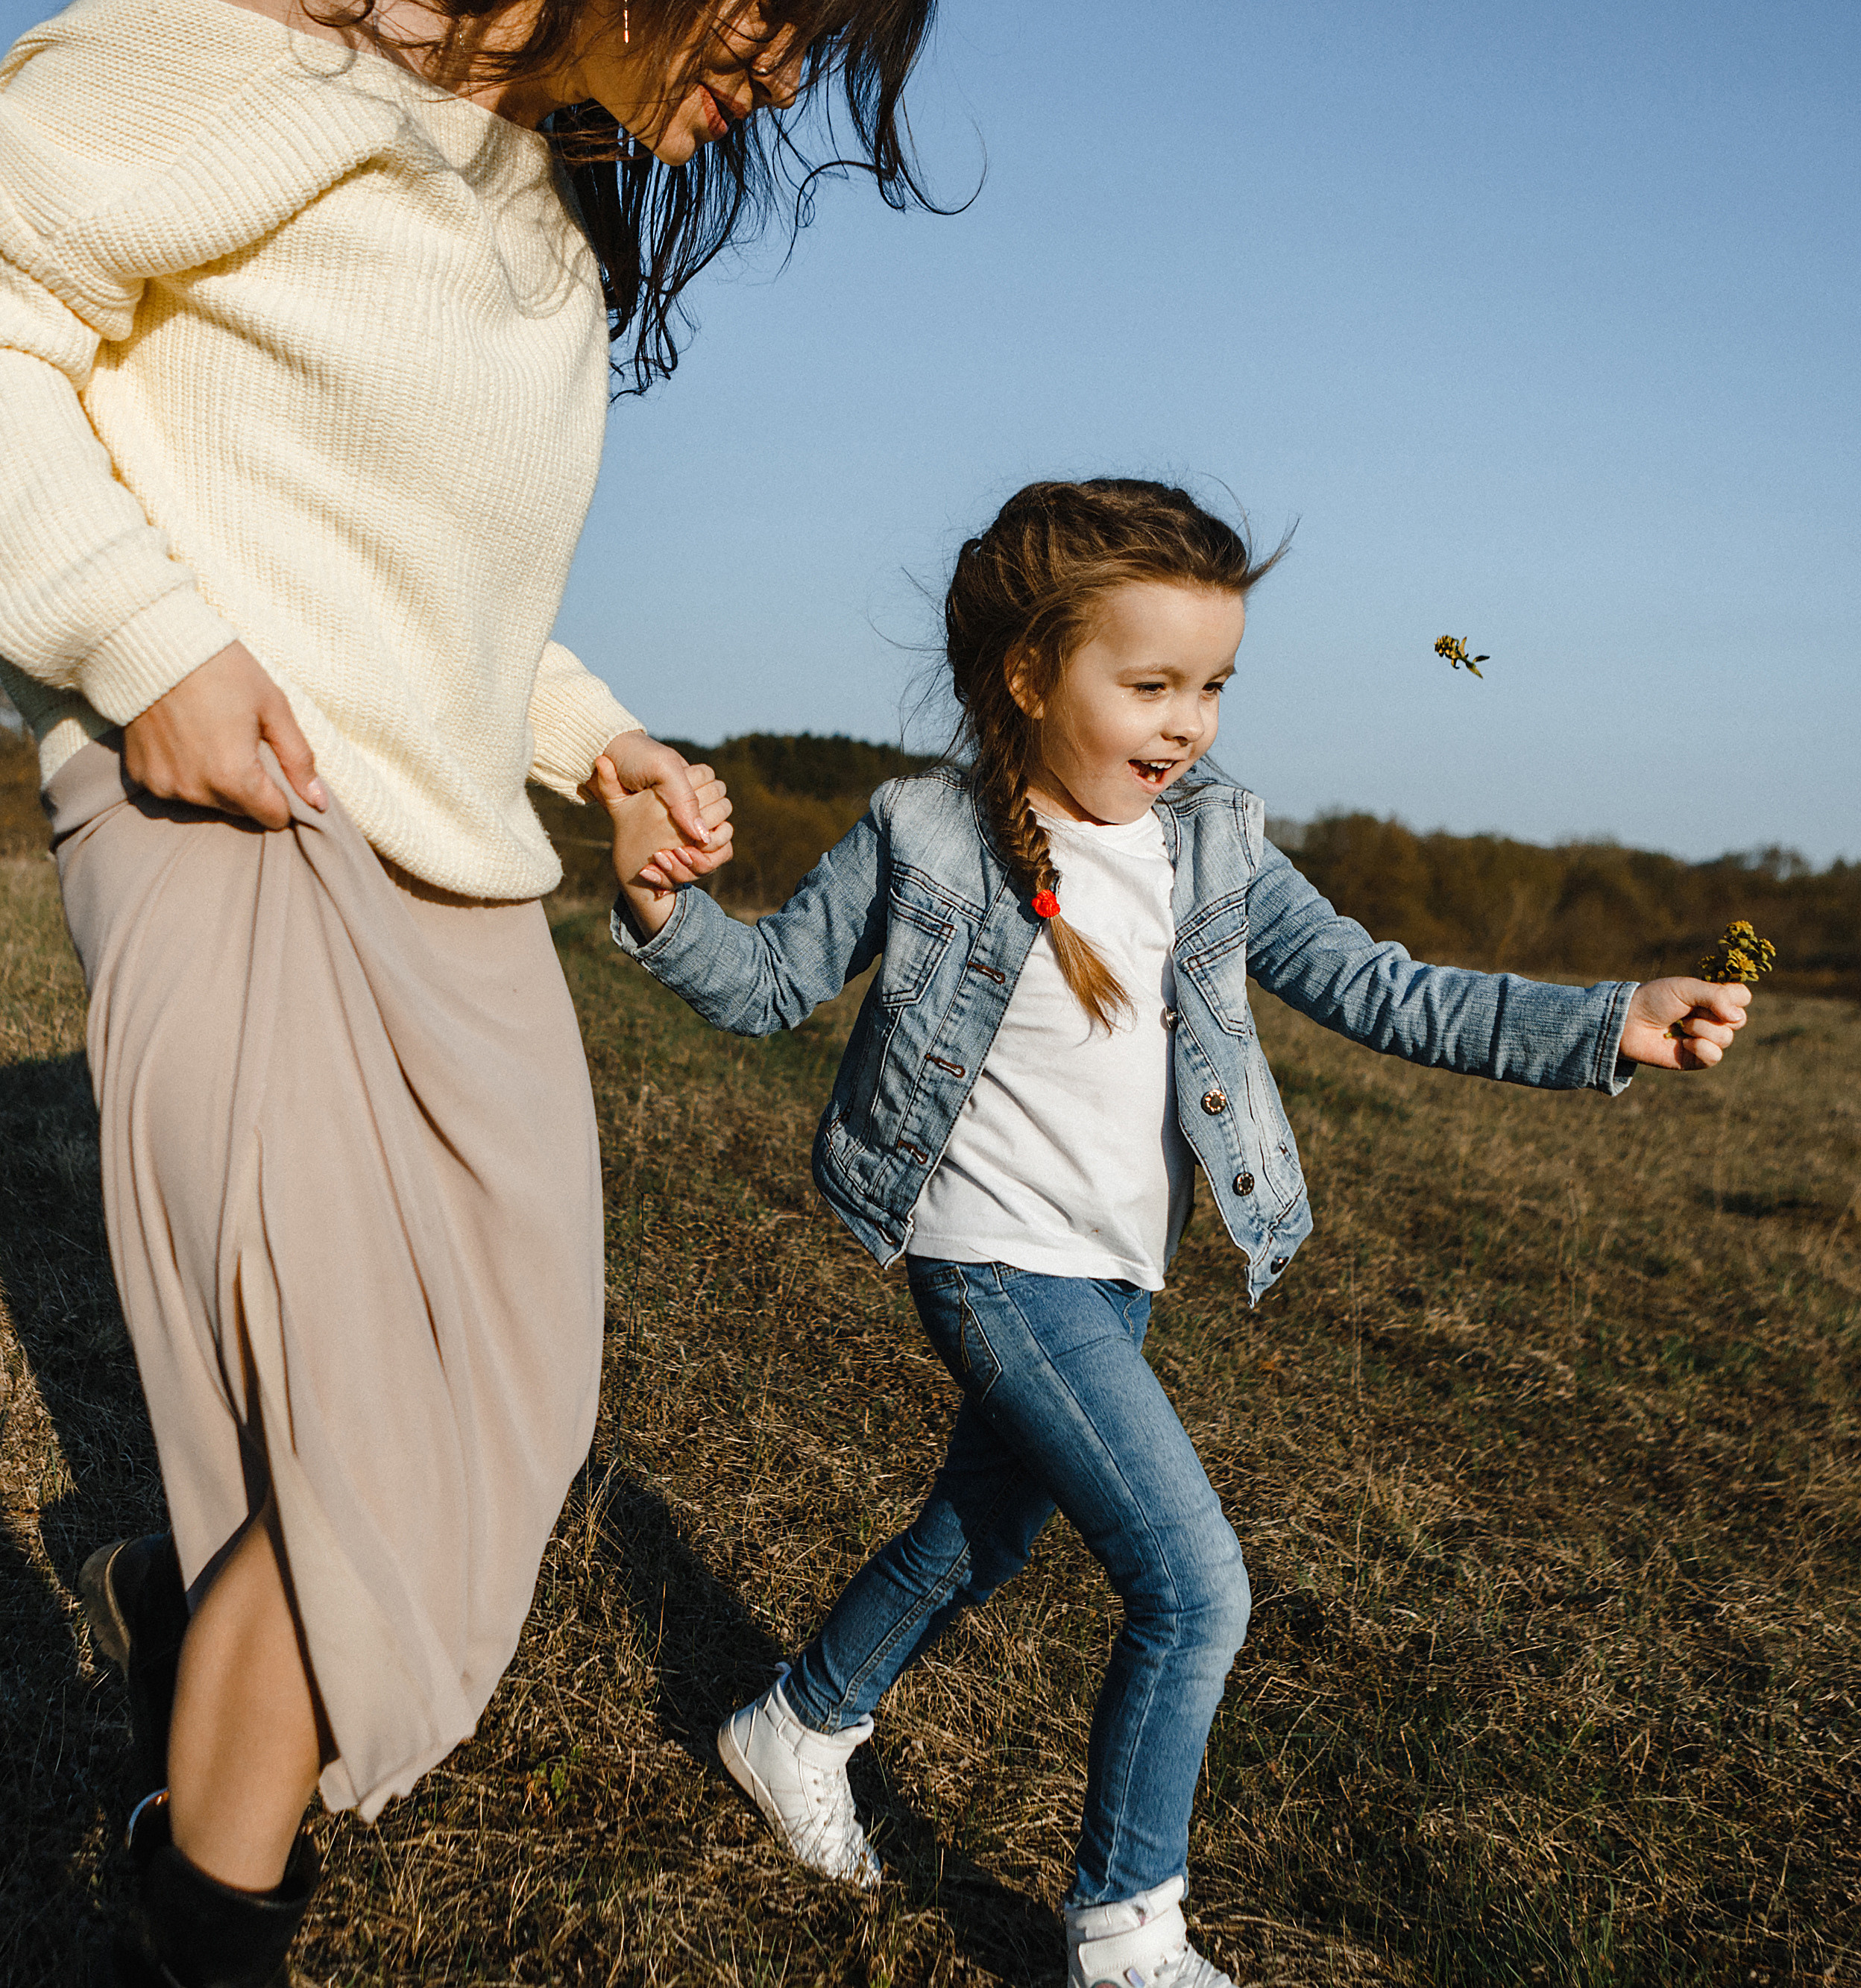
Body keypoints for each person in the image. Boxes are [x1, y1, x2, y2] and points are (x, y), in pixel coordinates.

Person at [0, 0, 936, 1981]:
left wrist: (601, 746)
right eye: (786, 19)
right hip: (238, 810)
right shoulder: (248, 57)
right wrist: (139, 631)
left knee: (511, 1419)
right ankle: (207, 1915)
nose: (783, 83)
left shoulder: (532, 198)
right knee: (368, 1466)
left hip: (460, 868)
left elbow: (439, 590)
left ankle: (192, 1625)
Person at [595, 477, 1754, 1988]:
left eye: (1212, 684)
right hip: (993, 1260)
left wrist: (1609, 1023)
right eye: (1149, 683)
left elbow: (1385, 985)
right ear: (1030, 674)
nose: (1188, 720)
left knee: (987, 1526)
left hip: (1119, 1271)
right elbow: (762, 990)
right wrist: (661, 908)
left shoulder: (1217, 845)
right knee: (1196, 1582)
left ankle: (794, 1720)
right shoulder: (924, 831)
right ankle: (1126, 1931)